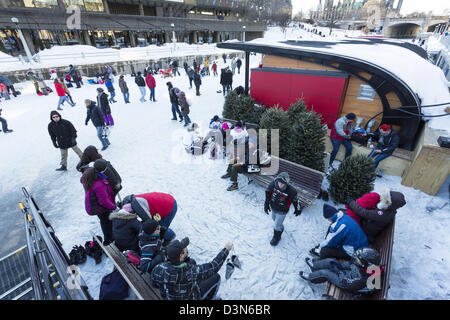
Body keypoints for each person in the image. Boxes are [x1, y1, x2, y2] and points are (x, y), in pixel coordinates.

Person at [150, 238, 233, 300]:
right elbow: (213, 267)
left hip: (168, 297)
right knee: (216, 277)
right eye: (184, 249)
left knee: (192, 261)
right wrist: (226, 249)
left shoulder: (158, 268)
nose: (186, 248)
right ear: (181, 256)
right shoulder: (190, 272)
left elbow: (154, 283)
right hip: (191, 298)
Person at [299, 247, 382, 295]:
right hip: (350, 275)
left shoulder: (365, 279)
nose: (356, 260)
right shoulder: (367, 266)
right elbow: (352, 264)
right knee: (330, 261)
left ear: (365, 263)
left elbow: (349, 284)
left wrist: (339, 271)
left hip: (347, 283)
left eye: (359, 259)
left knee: (326, 273)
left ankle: (311, 277)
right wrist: (340, 265)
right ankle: (314, 266)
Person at [81, 167, 117, 246]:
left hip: (94, 206)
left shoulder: (87, 181)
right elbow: (103, 201)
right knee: (106, 222)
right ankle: (108, 241)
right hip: (99, 208)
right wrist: (114, 207)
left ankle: (109, 238)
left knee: (104, 220)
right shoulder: (98, 185)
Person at [263, 172, 301, 246]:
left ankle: (277, 237)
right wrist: (266, 204)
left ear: (286, 183)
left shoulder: (291, 191)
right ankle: (280, 226)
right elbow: (268, 193)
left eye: (282, 183)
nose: (280, 185)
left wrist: (297, 209)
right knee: (274, 219)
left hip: (282, 210)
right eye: (279, 182)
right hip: (273, 207)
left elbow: (295, 200)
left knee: (276, 225)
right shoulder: (273, 184)